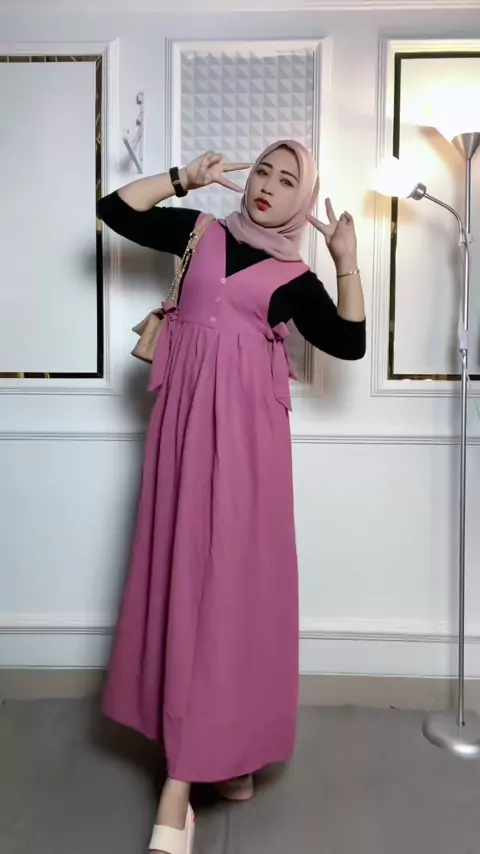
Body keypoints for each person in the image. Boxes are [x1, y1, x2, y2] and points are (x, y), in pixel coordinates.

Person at [97, 140, 366, 854]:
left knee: (231, 593)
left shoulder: (295, 277)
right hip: (182, 441)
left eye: (287, 179)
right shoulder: (200, 232)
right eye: (263, 172)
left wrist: (345, 261)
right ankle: (219, 758)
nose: (268, 186)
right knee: (186, 584)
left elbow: (349, 343)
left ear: (303, 198)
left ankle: (192, 777)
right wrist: (184, 177)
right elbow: (115, 210)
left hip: (249, 452)